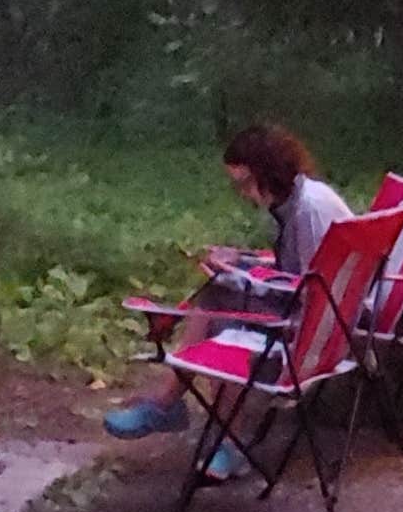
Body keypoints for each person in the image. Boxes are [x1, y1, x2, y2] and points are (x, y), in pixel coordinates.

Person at [102, 123, 351, 474]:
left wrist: (247, 282)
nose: (244, 193)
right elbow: (298, 270)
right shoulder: (299, 200)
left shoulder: (308, 210)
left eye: (245, 183)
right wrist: (245, 262)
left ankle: (194, 420)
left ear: (268, 172)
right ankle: (193, 419)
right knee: (219, 294)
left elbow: (315, 289)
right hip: (327, 314)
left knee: (221, 316)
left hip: (321, 331)